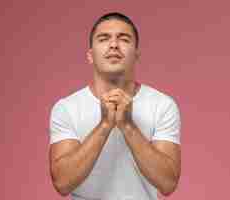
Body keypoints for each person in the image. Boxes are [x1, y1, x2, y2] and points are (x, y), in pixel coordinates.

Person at [48, 12, 181, 200]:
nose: (113, 45)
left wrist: (128, 126)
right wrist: (104, 125)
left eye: (124, 39)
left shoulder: (163, 105)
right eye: (103, 39)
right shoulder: (66, 108)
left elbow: (168, 184)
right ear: (90, 55)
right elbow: (62, 183)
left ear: (136, 55)